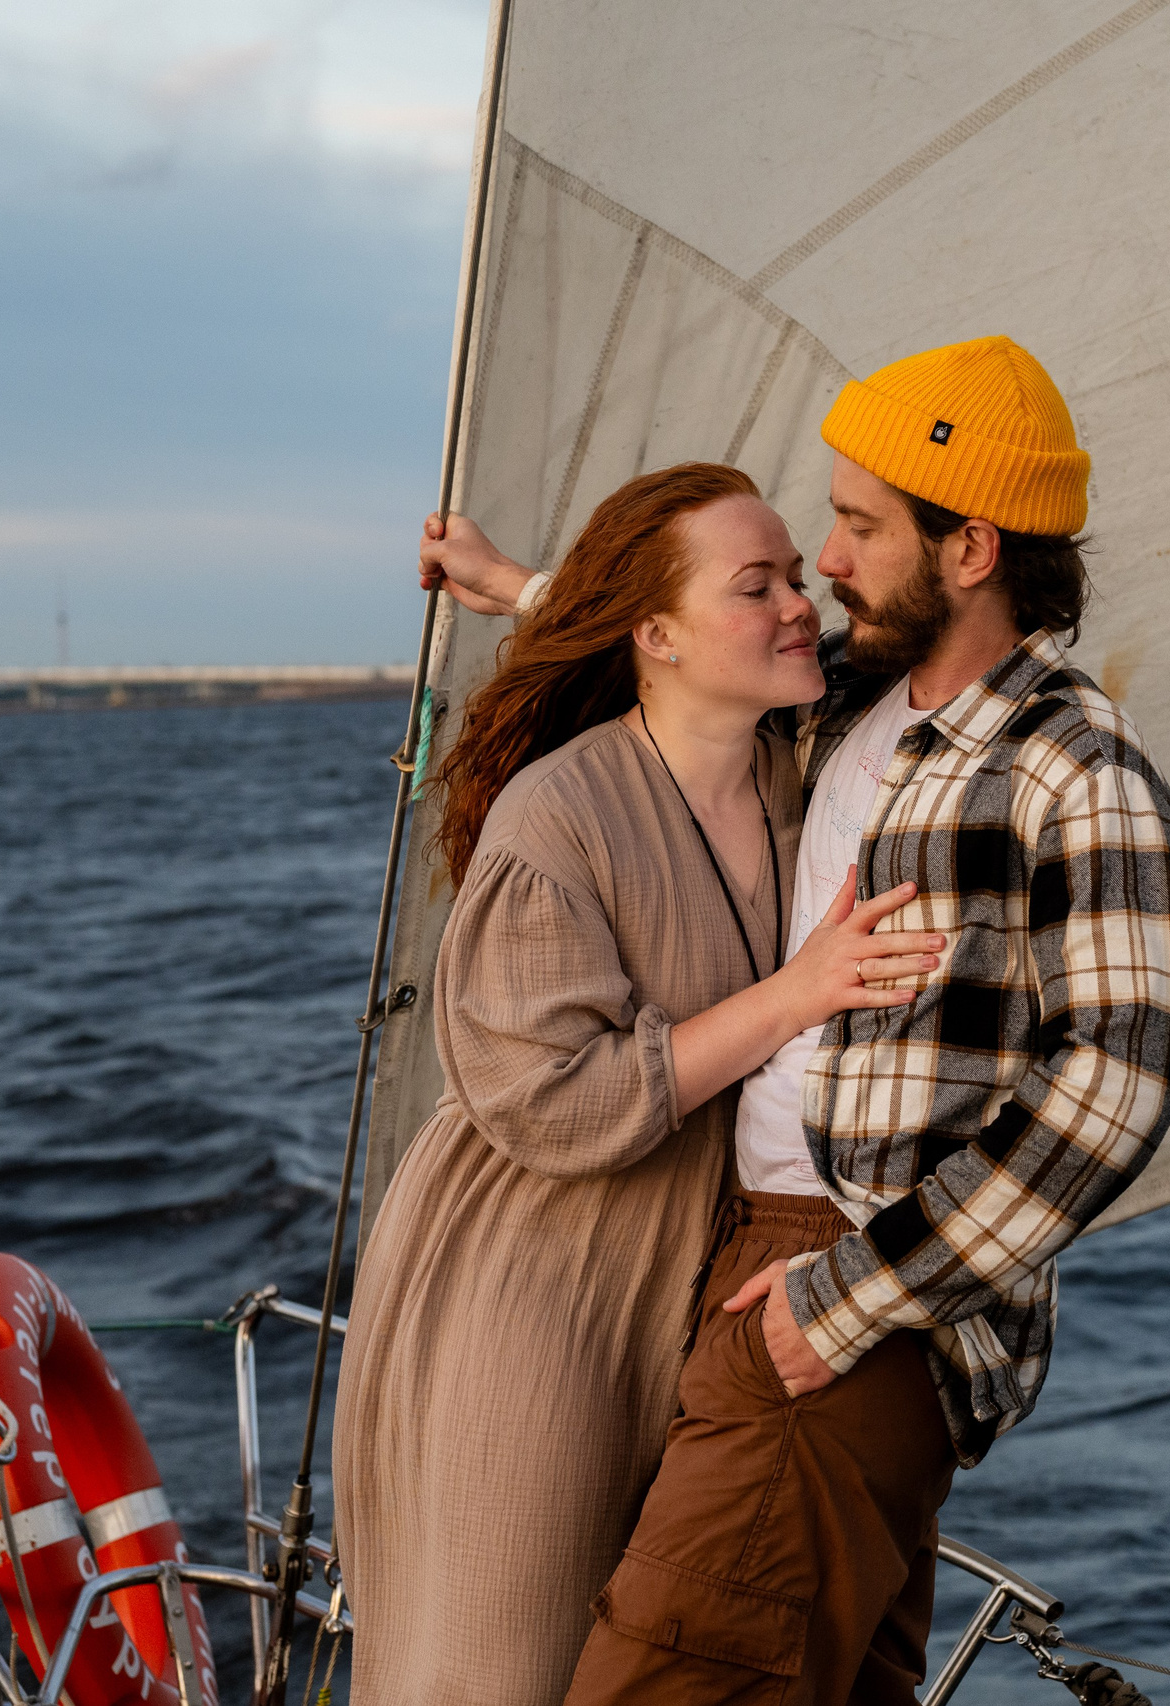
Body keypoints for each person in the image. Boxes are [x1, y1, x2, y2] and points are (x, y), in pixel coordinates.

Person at [431, 336, 1170, 1704]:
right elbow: (701, 637)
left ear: (970, 549)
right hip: (759, 1264)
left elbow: (1117, 1087)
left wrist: (849, 1303)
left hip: (857, 1290)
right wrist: (524, 589)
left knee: (663, 1683)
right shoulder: (850, 706)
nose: (828, 565)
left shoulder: (1077, 768)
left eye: (857, 528)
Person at [336, 462, 950, 1706]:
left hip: (691, 1275)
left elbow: (645, 608)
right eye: (759, 585)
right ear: (657, 638)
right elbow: (551, 1099)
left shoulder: (803, 773)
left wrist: (516, 585)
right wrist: (798, 989)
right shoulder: (555, 816)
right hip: (529, 1282)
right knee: (510, 1667)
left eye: (795, 573)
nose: (798, 604)